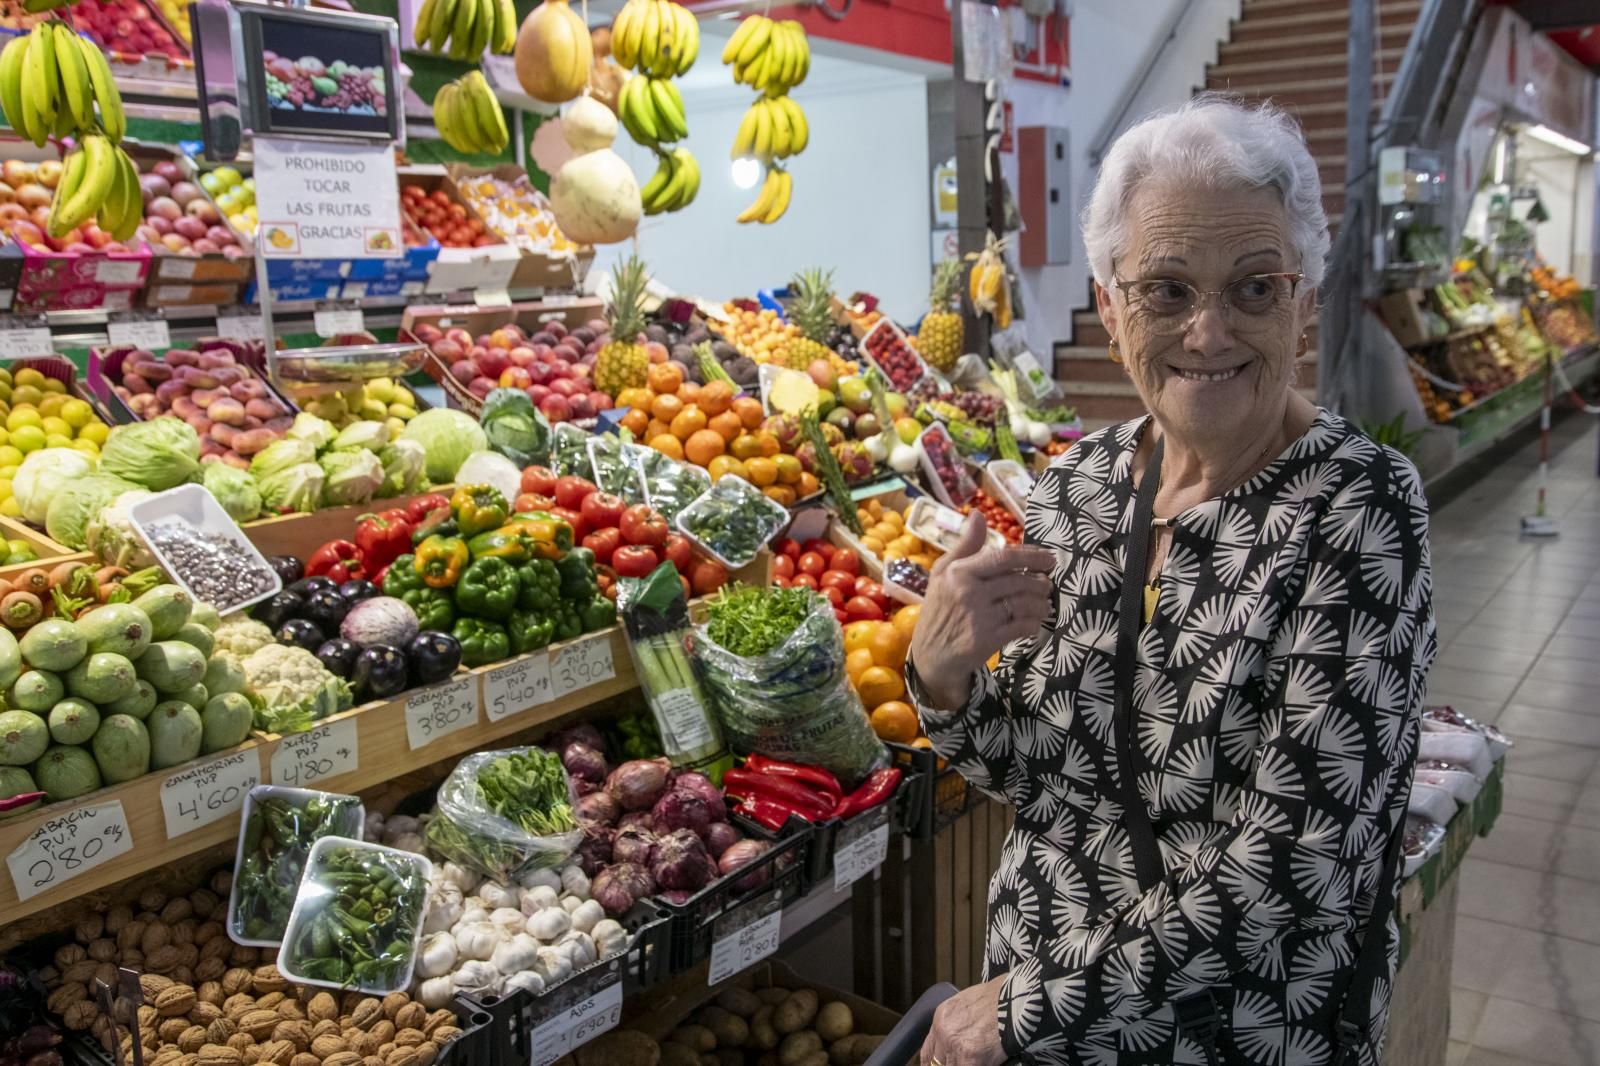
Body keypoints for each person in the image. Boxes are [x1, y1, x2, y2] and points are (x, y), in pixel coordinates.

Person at [906, 96, 1436, 1066]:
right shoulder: (1081, 487)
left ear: (1304, 299)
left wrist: (1028, 1009)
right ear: (1109, 308)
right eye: (1166, 289)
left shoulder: (1357, 510)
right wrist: (943, 678)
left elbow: (1291, 866)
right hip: (1043, 1024)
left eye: (1253, 288)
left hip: (1233, 1034)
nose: (1207, 331)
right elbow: (1038, 771)